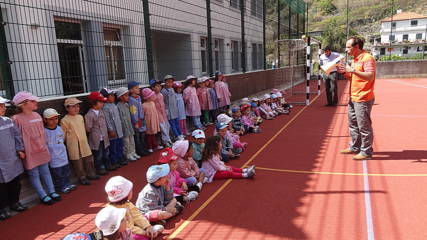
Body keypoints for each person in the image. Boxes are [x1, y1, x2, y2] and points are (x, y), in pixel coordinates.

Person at [12, 91, 61, 205]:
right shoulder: (16, 119)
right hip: (29, 151)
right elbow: (16, 137)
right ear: (23, 104)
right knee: (34, 174)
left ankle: (52, 191)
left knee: (46, 171)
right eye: (32, 101)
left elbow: (42, 133)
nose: (36, 102)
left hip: (41, 148)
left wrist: (45, 145)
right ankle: (42, 194)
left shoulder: (37, 115)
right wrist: (20, 150)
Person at [337, 36, 376, 160]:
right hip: (353, 96)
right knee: (353, 124)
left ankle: (366, 152)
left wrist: (353, 70)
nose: (346, 49)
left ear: (357, 46)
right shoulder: (355, 59)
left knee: (364, 126)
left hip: (363, 98)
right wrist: (344, 72)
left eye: (348, 47)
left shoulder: (367, 58)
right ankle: (355, 147)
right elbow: (353, 77)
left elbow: (370, 76)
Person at [0, 96, 27, 220]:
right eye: (1, 106)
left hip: (12, 158)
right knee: (1, 186)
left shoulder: (8, 121)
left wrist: (19, 149)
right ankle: (3, 208)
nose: (3, 108)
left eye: (4, 105)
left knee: (15, 183)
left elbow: (17, 136)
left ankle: (15, 202)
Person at [61, 97, 98, 186]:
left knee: (88, 159)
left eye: (77, 106)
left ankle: (91, 174)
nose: (76, 108)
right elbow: (63, 135)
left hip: (84, 142)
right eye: (73, 107)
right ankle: (82, 177)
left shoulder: (80, 117)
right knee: (78, 163)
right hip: (73, 145)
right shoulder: (64, 120)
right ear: (67, 108)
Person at [43, 108, 76, 194]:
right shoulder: (44, 132)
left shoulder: (59, 128)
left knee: (66, 171)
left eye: (56, 118)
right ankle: (61, 187)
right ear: (45, 120)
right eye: (51, 119)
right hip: (53, 157)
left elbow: (62, 139)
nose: (54, 121)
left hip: (63, 155)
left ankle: (68, 184)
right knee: (58, 174)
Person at [85, 92, 113, 175]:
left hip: (104, 137)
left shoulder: (101, 111)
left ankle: (107, 165)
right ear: (94, 103)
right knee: (98, 155)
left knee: (106, 152)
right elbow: (88, 128)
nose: (102, 104)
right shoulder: (89, 114)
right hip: (96, 139)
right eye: (100, 102)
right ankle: (100, 168)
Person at [101, 88, 126, 167]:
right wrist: (110, 130)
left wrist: (121, 126)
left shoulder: (114, 105)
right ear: (105, 97)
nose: (113, 97)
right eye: (111, 96)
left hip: (119, 130)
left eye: (113, 95)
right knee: (113, 147)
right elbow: (107, 120)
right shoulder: (105, 108)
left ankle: (120, 158)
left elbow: (118, 118)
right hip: (113, 132)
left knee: (120, 145)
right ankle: (114, 161)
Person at [115, 87, 138, 162]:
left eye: (128, 95)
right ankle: (127, 155)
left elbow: (130, 115)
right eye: (126, 95)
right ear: (120, 97)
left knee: (132, 140)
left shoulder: (127, 105)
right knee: (126, 142)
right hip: (124, 127)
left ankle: (133, 152)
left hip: (129, 125)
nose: (127, 97)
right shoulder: (117, 106)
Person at [128, 81, 149, 157]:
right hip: (137, 121)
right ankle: (139, 150)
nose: (138, 89)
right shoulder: (131, 100)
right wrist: (135, 122)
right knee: (138, 136)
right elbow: (133, 112)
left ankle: (144, 148)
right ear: (131, 90)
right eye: (136, 88)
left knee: (143, 135)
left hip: (142, 119)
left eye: (138, 87)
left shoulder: (139, 98)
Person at [161, 75, 183, 140]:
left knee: (177, 123)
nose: (170, 83)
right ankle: (177, 136)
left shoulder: (172, 89)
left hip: (174, 110)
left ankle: (180, 134)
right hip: (169, 111)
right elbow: (163, 102)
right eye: (168, 82)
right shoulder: (163, 91)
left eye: (171, 82)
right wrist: (166, 111)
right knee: (172, 124)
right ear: (165, 82)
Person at [141, 88, 161, 153]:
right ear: (148, 97)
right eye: (152, 96)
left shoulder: (152, 103)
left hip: (154, 120)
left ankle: (154, 145)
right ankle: (150, 147)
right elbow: (143, 115)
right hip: (148, 122)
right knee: (149, 135)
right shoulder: (144, 105)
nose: (153, 96)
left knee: (153, 134)